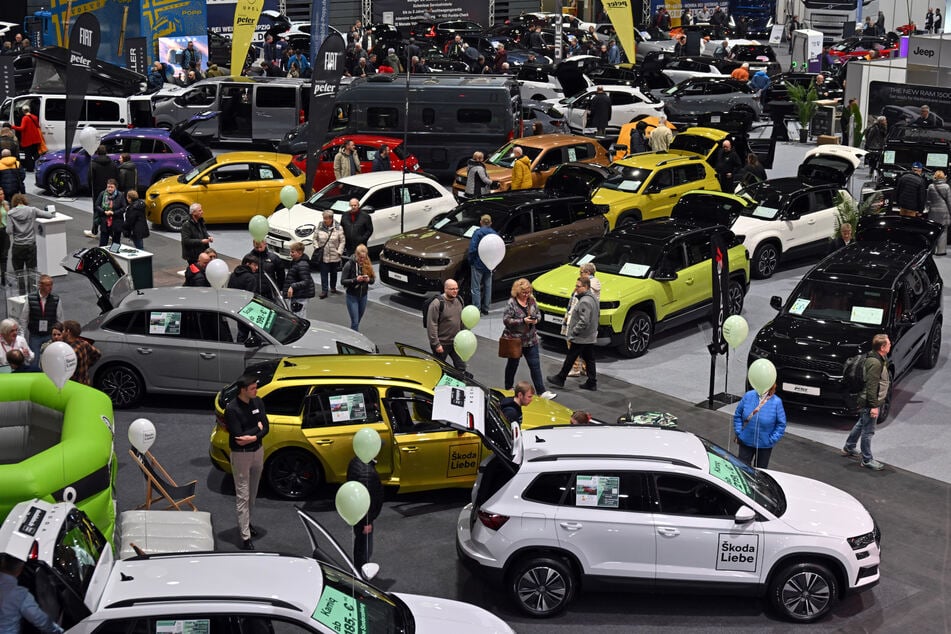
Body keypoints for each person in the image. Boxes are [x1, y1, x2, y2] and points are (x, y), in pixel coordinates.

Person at [224, 374, 269, 550]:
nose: (256, 390)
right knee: (243, 496)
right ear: (243, 390)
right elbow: (237, 437)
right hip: (241, 455)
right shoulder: (232, 409)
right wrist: (255, 430)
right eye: (252, 388)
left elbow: (266, 427)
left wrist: (253, 436)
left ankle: (247, 523)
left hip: (258, 452)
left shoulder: (258, 402)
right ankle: (245, 537)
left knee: (253, 493)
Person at [841, 334, 890, 471]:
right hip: (870, 401)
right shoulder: (875, 363)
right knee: (868, 432)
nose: (890, 345)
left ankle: (849, 447)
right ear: (882, 347)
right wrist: (873, 406)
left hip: (868, 400)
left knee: (862, 423)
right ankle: (867, 459)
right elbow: (872, 386)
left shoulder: (876, 357)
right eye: (888, 344)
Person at [502, 279, 555, 399]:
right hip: (516, 341)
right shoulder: (511, 303)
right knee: (512, 365)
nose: (527, 294)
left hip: (531, 340)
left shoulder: (532, 301)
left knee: (535, 365)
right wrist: (522, 321)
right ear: (517, 291)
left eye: (528, 292)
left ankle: (541, 392)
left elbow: (539, 314)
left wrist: (536, 320)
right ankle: (508, 387)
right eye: (524, 292)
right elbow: (506, 320)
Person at [547, 277, 599, 391]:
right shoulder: (593, 298)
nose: (575, 288)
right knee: (589, 358)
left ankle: (560, 378)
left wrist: (575, 331)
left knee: (571, 357)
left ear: (585, 287)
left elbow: (584, 321)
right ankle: (592, 382)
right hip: (589, 336)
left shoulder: (585, 301)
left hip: (581, 337)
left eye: (578, 286)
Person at [0, 553, 64, 633]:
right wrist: (58, 631)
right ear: (20, 569)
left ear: (2, 564)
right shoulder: (20, 594)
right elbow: (40, 620)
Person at [7, 194, 54, 294]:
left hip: (18, 246)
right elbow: (49, 215)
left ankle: (22, 293)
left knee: (19, 272)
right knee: (31, 272)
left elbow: (9, 231)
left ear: (14, 203)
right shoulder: (32, 210)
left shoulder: (10, 213)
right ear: (24, 201)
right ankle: (32, 293)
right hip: (30, 246)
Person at [733, 384, 787, 468]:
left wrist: (771, 439)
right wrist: (739, 432)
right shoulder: (748, 396)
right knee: (742, 469)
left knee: (760, 473)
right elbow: (738, 415)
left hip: (765, 446)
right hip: (745, 441)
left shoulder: (777, 402)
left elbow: (781, 424)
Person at [346, 453, 384, 570]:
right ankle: (361, 571)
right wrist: (367, 522)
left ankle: (359, 567)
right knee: (364, 546)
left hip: (356, 511)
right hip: (363, 517)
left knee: (360, 542)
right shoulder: (367, 473)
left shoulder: (355, 461)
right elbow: (367, 499)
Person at [18, 274, 63, 368]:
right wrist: (22, 336)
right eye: (47, 285)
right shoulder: (30, 298)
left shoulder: (56, 299)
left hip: (50, 335)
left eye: (51, 284)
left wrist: (61, 335)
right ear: (40, 286)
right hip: (35, 335)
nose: (50, 287)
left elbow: (60, 318)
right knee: (33, 362)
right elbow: (24, 318)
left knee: (51, 361)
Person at [426, 278, 466, 371]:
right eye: (452, 289)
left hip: (456, 343)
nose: (455, 291)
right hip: (442, 343)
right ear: (445, 289)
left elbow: (461, 320)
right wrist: (436, 344)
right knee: (438, 369)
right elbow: (432, 324)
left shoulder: (459, 300)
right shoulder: (437, 304)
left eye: (456, 288)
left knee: (461, 367)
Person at [340, 244, 374, 331]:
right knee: (355, 321)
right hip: (352, 296)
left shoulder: (367, 263)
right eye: (361, 257)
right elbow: (343, 281)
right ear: (357, 255)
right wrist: (355, 280)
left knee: (358, 320)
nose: (362, 260)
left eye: (364, 257)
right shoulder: (349, 265)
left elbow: (373, 280)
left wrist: (368, 280)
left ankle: (352, 335)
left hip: (363, 296)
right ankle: (355, 340)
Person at [468, 215, 497, 315]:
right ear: (490, 223)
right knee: (488, 286)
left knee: (475, 287)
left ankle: (477, 309)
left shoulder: (478, 233)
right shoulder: (494, 234)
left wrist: (471, 260)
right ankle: (486, 308)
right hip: (489, 264)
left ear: (480, 222)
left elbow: (473, 249)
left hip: (478, 264)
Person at [88, 145, 118, 237]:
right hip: (110, 191)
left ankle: (94, 231)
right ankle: (110, 233)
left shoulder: (93, 164)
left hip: (97, 191)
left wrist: (90, 190)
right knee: (110, 210)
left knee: (97, 210)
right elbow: (117, 177)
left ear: (97, 152)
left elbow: (90, 179)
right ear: (106, 152)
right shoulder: (113, 164)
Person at [315, 210, 346, 298]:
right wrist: (317, 247)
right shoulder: (320, 226)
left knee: (333, 273)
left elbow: (342, 241)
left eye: (326, 218)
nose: (324, 220)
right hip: (323, 255)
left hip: (334, 254)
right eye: (323, 218)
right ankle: (324, 291)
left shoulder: (338, 228)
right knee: (323, 273)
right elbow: (315, 239)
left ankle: (333, 287)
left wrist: (339, 252)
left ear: (331, 219)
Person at [61, 320, 100, 386]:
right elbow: (97, 354)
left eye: (63, 330)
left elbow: (66, 373)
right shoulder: (84, 343)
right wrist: (87, 365)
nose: (62, 332)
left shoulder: (70, 351)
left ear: (68, 331)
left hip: (74, 386)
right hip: (85, 382)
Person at [283, 242, 315, 317]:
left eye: (292, 252)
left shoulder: (302, 264)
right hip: (297, 295)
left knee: (299, 318)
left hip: (300, 297)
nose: (290, 254)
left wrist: (292, 286)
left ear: (300, 253)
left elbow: (306, 281)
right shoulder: (295, 262)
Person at [926, 169, 950, 255]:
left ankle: (931, 250)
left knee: (933, 230)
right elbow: (949, 201)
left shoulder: (931, 186)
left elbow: (928, 200)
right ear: (943, 177)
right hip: (944, 212)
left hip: (933, 211)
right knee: (943, 231)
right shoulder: (946, 187)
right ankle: (941, 251)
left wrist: (928, 208)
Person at [94, 179, 125, 246]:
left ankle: (114, 255)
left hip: (116, 222)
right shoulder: (102, 194)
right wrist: (104, 211)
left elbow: (123, 208)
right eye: (108, 187)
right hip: (104, 221)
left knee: (116, 244)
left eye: (111, 187)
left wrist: (114, 213)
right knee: (103, 243)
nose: (109, 189)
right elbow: (97, 205)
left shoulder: (120, 195)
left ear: (115, 187)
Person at [10, 104, 41, 171]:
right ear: (29, 110)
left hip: (28, 139)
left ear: (23, 111)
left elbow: (22, 128)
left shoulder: (25, 118)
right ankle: (39, 167)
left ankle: (30, 168)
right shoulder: (35, 117)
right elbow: (38, 126)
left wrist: (12, 127)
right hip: (36, 138)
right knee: (36, 154)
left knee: (28, 155)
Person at [0, 189, 9, 284]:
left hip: (4, 232)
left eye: (2, 194)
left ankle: (3, 277)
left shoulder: (5, 204)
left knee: (4, 256)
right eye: (0, 194)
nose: (1, 196)